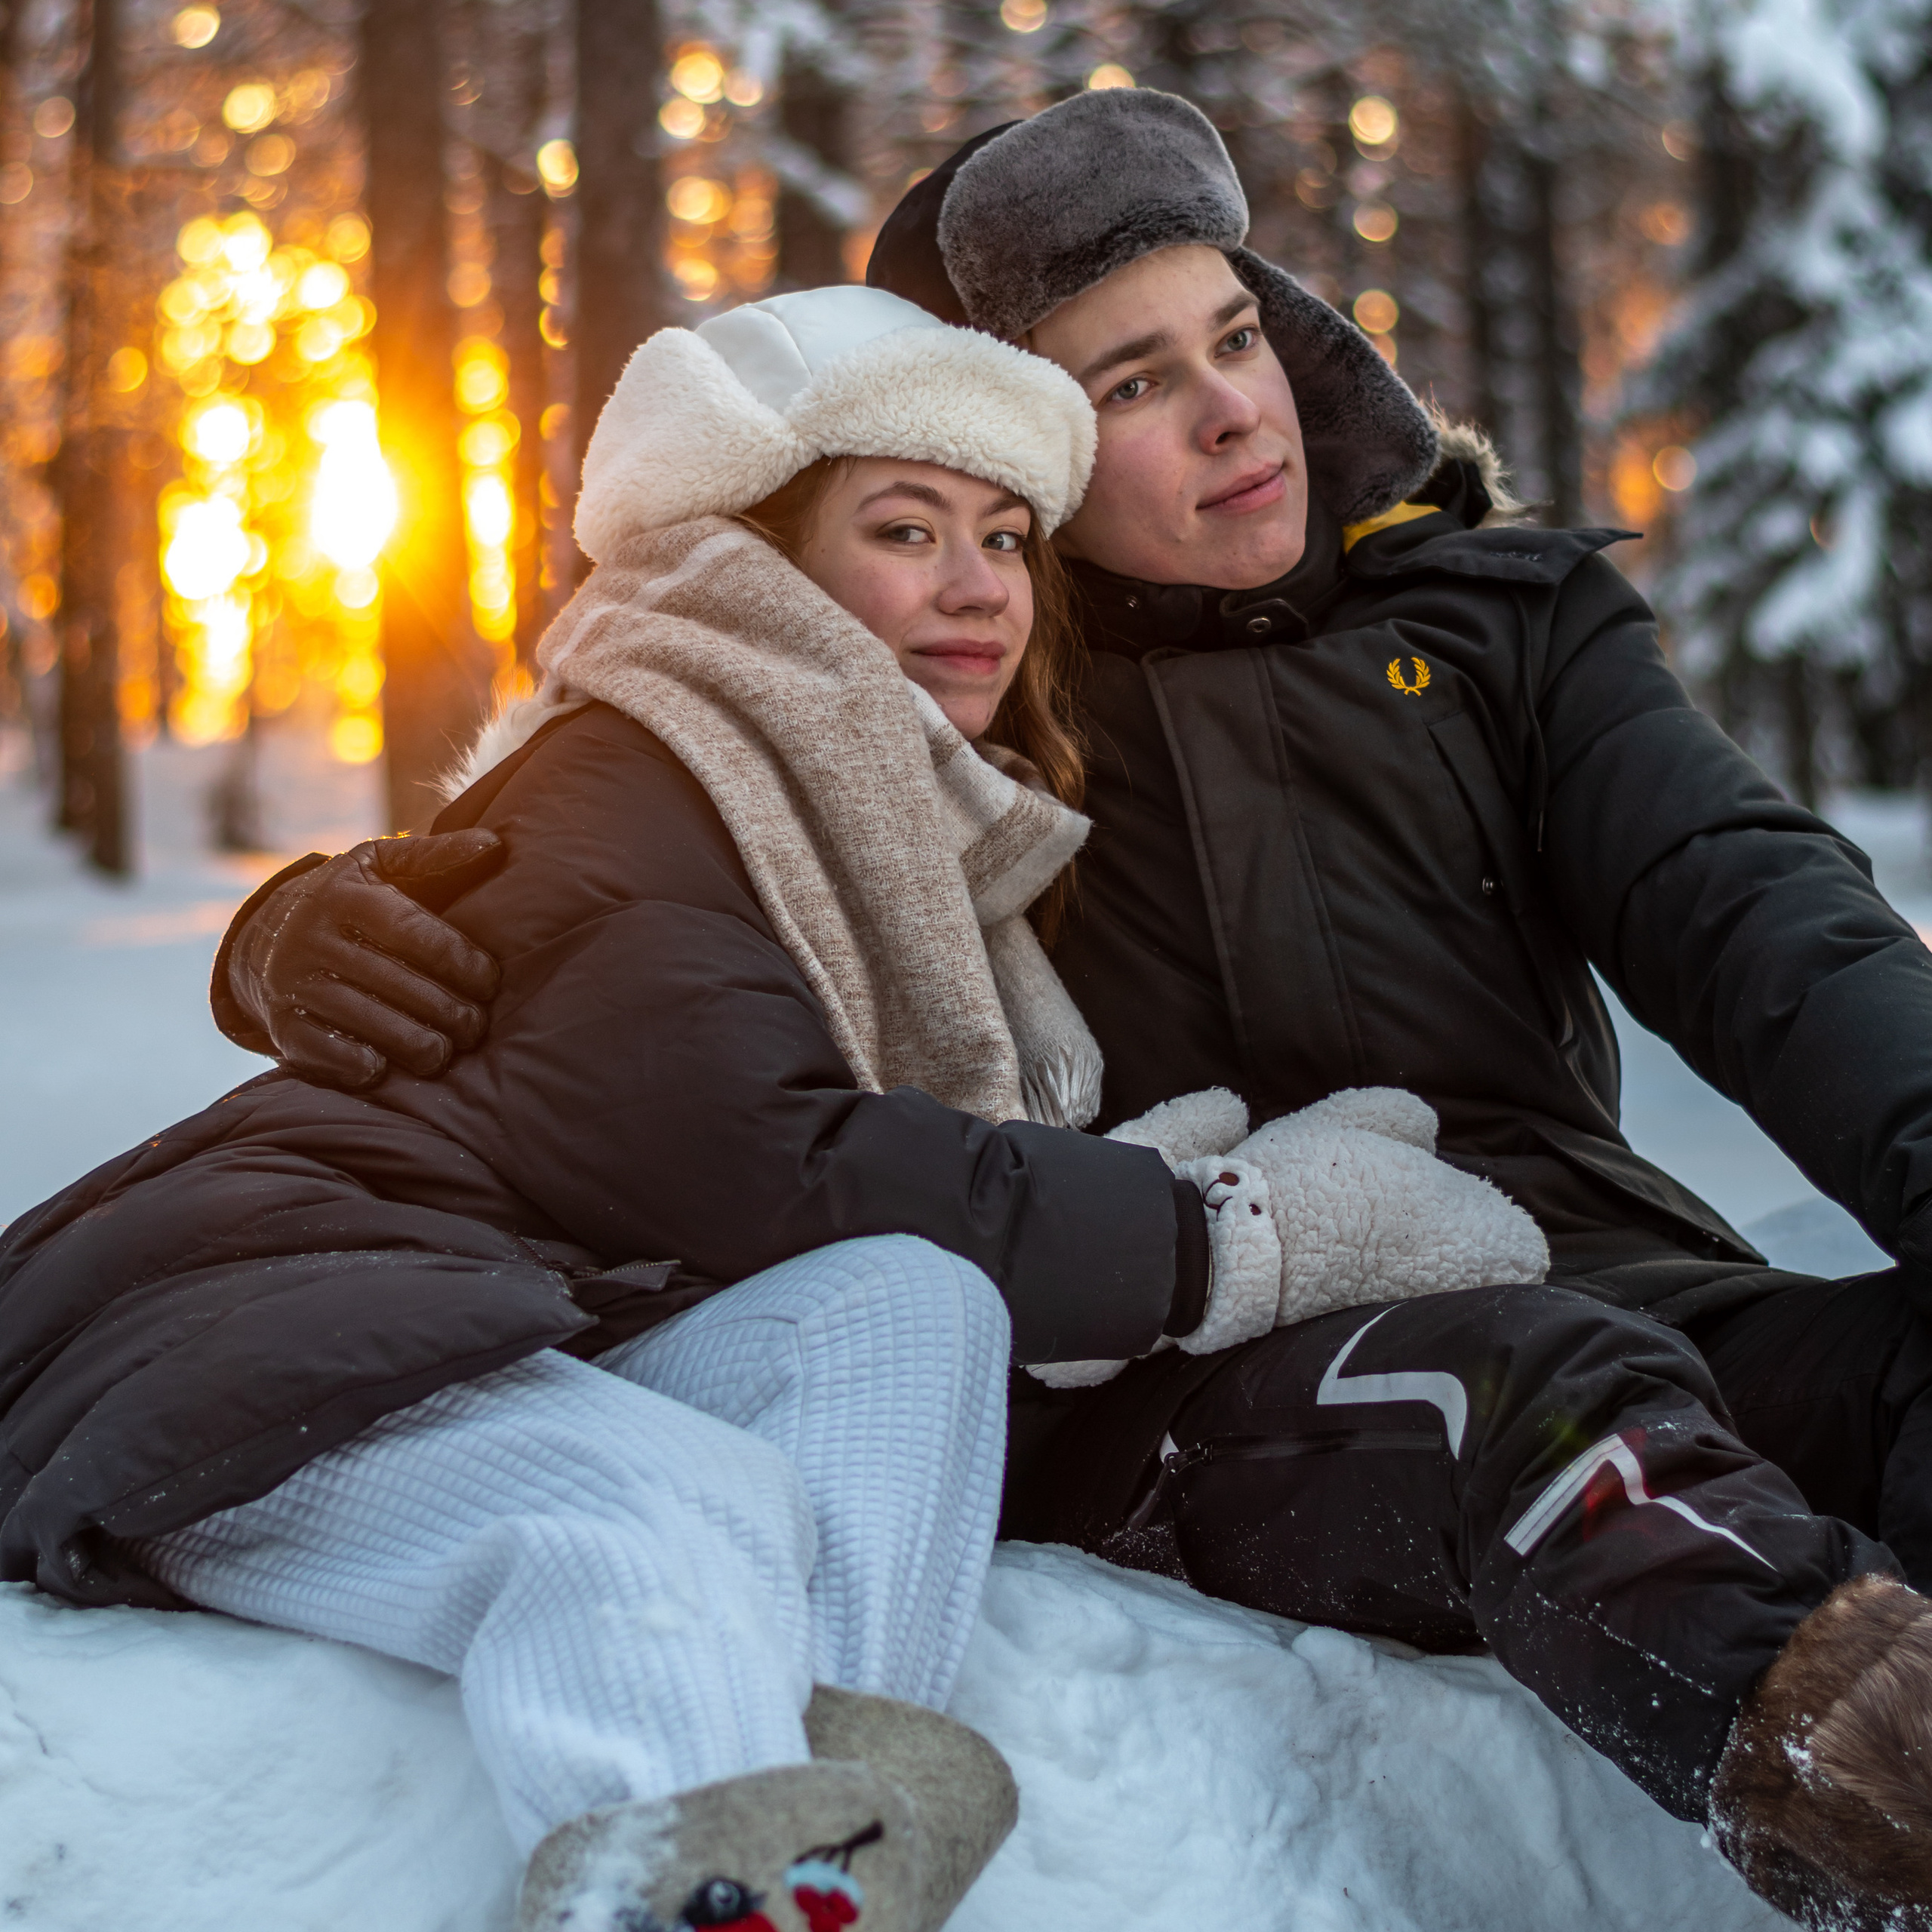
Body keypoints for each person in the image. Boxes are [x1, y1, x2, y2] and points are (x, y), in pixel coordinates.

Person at [231, 93, 1932, 1927]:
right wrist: (301, 930)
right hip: (1190, 1357)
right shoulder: (966, 685)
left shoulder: (1502, 623)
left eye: (1233, 336)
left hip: (1590, 1264)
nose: (1231, 411)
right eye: (1126, 386)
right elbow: (647, 799)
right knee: (1520, 1391)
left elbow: (1771, 928)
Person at [0, 285, 1541, 1932]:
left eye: (1009, 538)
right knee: (655, 1514)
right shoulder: (633, 772)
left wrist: (1104, 1202)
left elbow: (850, 1218)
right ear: (755, 561)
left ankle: (806, 1866)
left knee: (912, 1306)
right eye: (905, 527)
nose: (977, 587)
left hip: (512, 1325)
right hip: (248, 1340)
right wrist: (1226, 1235)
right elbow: (767, 1159)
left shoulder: (877, 824)